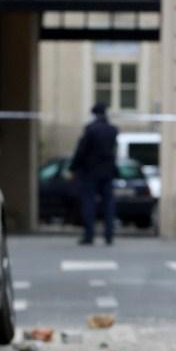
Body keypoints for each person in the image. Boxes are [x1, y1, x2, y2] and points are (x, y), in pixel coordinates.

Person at [69, 102, 119, 246]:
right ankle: (109, 235)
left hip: (90, 171)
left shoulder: (90, 130)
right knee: (108, 204)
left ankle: (89, 235)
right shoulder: (113, 130)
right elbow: (113, 151)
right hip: (107, 171)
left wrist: (73, 168)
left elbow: (81, 151)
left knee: (89, 203)